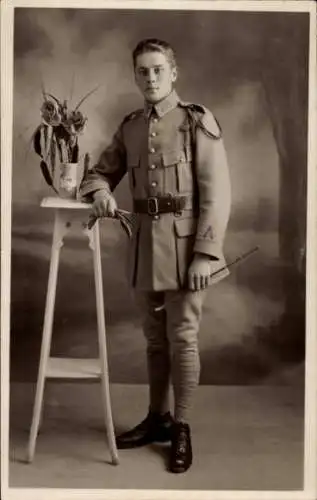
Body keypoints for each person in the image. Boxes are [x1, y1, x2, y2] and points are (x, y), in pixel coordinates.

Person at [80, 38, 231, 474]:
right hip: (145, 247)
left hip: (186, 249)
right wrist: (103, 191)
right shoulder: (130, 127)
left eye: (158, 70)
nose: (150, 78)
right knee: (154, 339)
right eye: (143, 71)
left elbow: (217, 195)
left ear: (173, 73)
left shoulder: (196, 122)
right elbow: (98, 172)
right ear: (135, 76)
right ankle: (156, 417)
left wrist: (205, 253)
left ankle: (181, 427)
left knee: (182, 336)